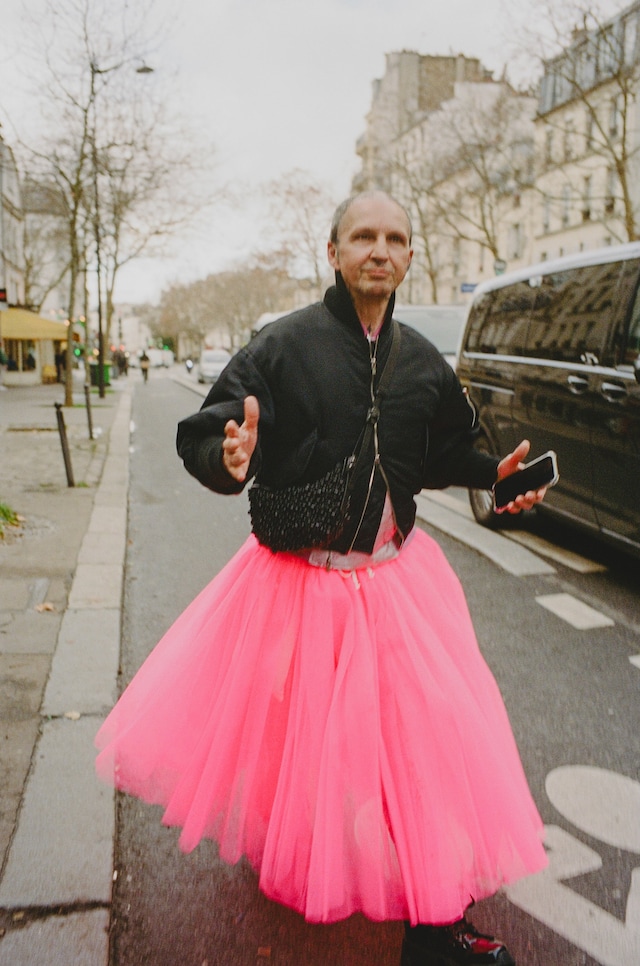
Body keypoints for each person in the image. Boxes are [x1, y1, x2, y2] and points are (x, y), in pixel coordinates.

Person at [96, 191, 548, 966]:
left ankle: (435, 931)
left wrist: (497, 478)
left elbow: (442, 454)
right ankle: (305, 853)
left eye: (396, 238)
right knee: (292, 740)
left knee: (424, 740)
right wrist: (226, 459)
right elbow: (204, 431)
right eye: (364, 236)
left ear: (410, 257)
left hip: (398, 587)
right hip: (294, 588)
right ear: (334, 253)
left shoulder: (422, 362)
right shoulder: (281, 345)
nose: (381, 249)